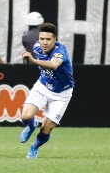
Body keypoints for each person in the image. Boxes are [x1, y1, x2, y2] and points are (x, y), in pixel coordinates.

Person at [19, 23, 75, 159]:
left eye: (48, 39)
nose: (44, 42)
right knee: (25, 117)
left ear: (55, 39)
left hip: (62, 93)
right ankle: (32, 125)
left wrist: (32, 60)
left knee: (46, 129)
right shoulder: (36, 47)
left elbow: (53, 65)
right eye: (41, 38)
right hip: (43, 86)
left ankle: (34, 147)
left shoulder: (60, 51)